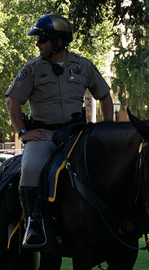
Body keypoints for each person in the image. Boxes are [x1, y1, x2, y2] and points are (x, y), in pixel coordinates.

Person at [6, 13, 114, 248]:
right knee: (31, 167)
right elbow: (13, 101)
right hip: (43, 134)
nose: (38, 44)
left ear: (58, 41)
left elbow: (105, 96)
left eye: (42, 39)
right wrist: (23, 132)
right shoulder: (31, 69)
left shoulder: (83, 65)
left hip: (76, 133)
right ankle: (34, 223)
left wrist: (107, 128)